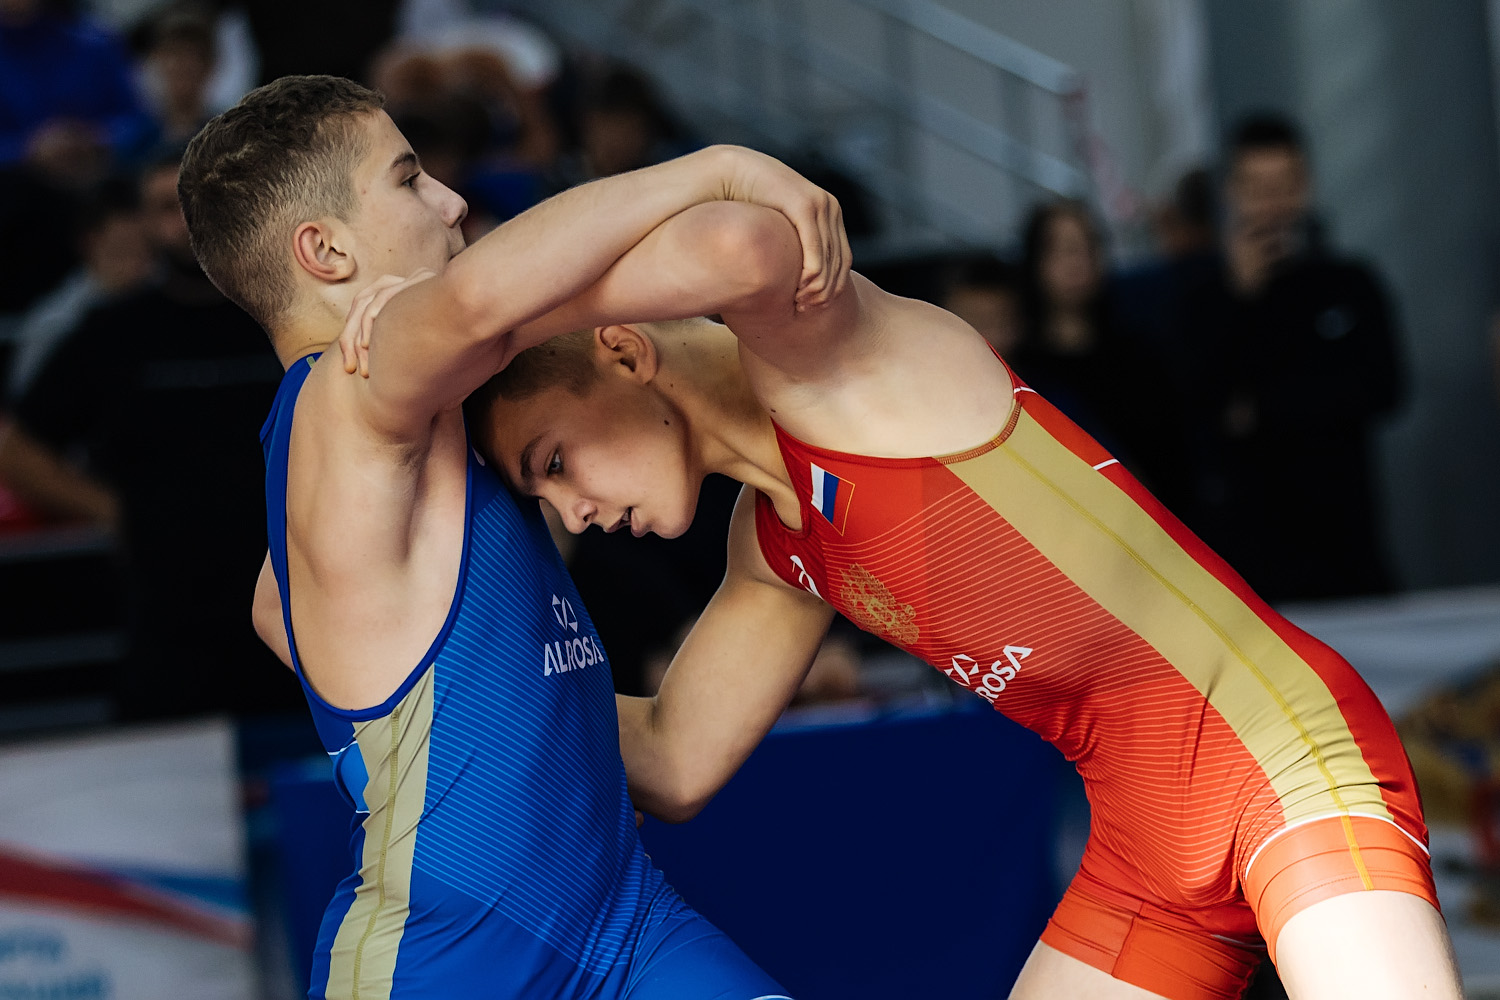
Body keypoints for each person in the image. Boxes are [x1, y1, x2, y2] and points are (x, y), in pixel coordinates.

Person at [464, 200, 1462, 1000]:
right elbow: (672, 761)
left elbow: (744, 238)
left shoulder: (832, 368)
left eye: (554, 461)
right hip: (1146, 855)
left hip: (1281, 760)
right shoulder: (773, 549)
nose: (573, 510)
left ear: (623, 351)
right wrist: (445, 683)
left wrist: (471, 309)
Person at [184, 74, 846, 997]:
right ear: (326, 250)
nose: (453, 202)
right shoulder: (344, 393)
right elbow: (475, 306)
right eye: (409, 179)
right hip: (451, 962)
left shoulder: (418, 440)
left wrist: (525, 732)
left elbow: (273, 604)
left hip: (627, 923)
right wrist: (717, 169)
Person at [1182, 114, 1404, 602]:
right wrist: (1239, 298)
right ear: (1233, 193)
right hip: (1250, 560)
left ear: (1306, 187)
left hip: (1347, 548)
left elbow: (1382, 388)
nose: (1273, 205)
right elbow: (1196, 408)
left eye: (1284, 186)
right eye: (1258, 189)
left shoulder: (1351, 284)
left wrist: (1260, 410)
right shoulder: (1203, 298)